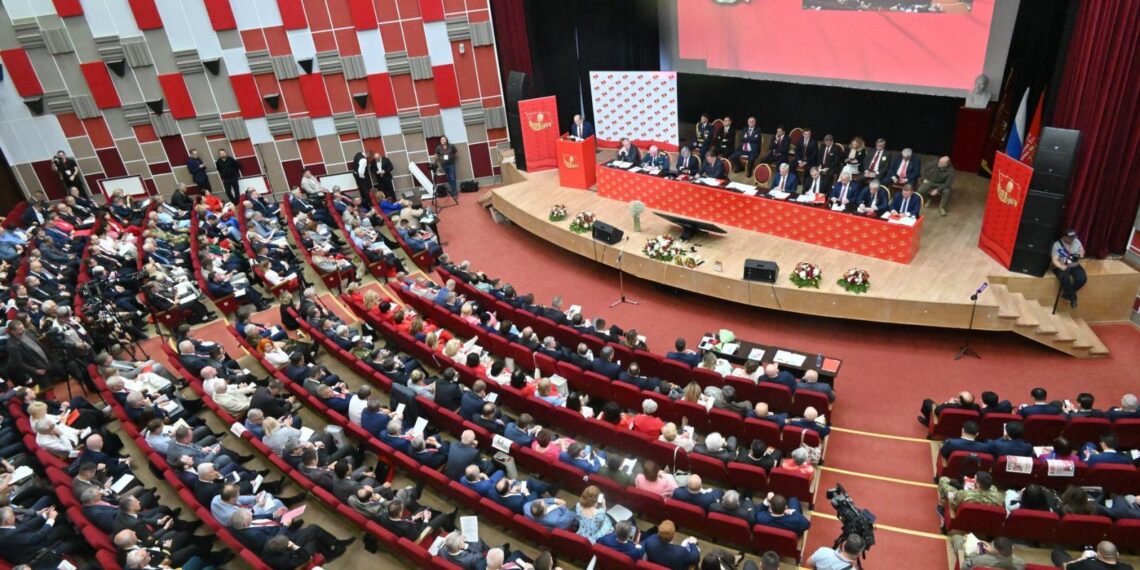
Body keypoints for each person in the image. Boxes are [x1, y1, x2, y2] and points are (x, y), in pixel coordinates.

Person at [1052, 229, 1087, 308]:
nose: (1072, 239)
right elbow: (1054, 260)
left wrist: (1080, 254)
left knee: (1082, 279)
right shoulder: (1057, 245)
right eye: (1070, 238)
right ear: (1064, 237)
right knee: (1065, 279)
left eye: (1073, 237)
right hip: (1061, 265)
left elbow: (1082, 251)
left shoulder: (1077, 241)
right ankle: (1073, 298)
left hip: (1074, 265)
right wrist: (1061, 266)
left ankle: (1067, 295)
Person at [1051, 541, 1132, 570]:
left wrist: (1082, 558)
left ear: (1099, 554)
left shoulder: (1086, 564)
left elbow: (1066, 567)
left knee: (1057, 552)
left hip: (1077, 565)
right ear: (1117, 554)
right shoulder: (1128, 568)